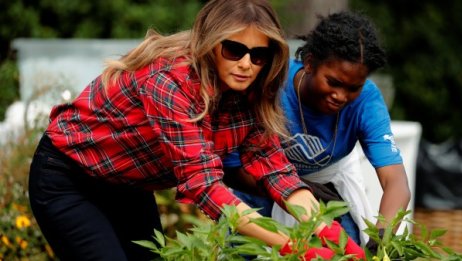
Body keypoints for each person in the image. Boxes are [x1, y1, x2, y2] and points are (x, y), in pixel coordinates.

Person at [28, 1, 365, 260]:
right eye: (235, 50)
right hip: (69, 177)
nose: (246, 63)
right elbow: (206, 187)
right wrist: (296, 247)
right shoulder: (171, 81)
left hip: (127, 186)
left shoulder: (248, 91)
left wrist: (333, 235)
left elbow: (274, 168)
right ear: (211, 43)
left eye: (259, 54)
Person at [223, 10, 411, 246]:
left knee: (344, 249)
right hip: (257, 185)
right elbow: (230, 168)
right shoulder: (271, 81)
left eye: (354, 88)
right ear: (310, 63)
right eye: (333, 82)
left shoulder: (367, 102)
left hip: (327, 191)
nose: (341, 96)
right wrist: (297, 189)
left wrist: (383, 236)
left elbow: (395, 181)